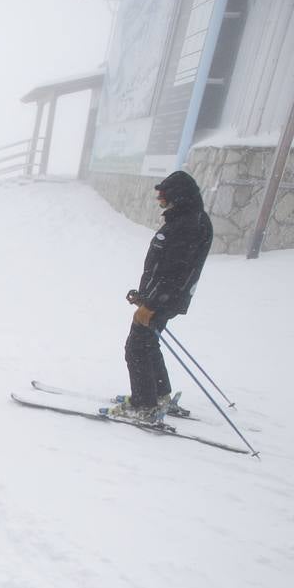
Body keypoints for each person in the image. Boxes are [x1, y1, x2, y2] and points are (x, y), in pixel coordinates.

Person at [109, 170, 213, 423]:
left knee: (136, 347)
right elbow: (165, 268)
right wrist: (145, 296)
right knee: (146, 344)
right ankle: (159, 395)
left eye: (163, 195)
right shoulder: (186, 220)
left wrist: (152, 305)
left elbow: (174, 273)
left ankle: (145, 404)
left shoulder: (188, 225)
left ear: (177, 196)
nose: (159, 200)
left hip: (164, 300)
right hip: (162, 298)